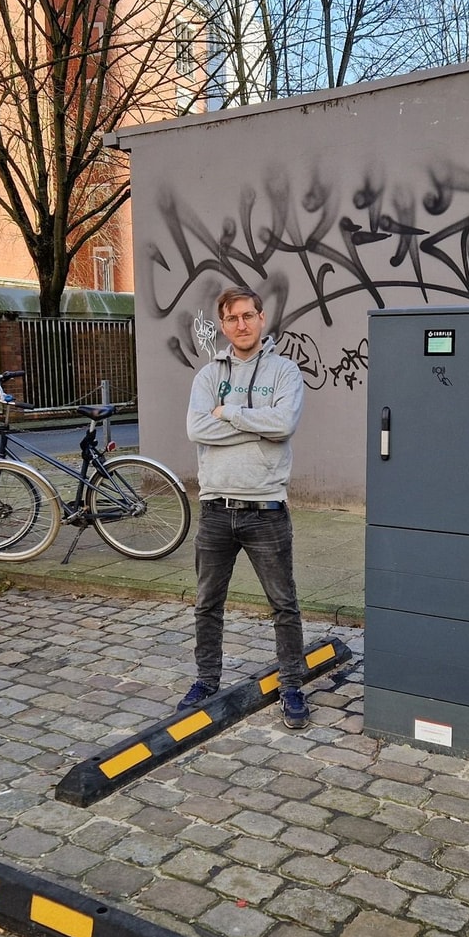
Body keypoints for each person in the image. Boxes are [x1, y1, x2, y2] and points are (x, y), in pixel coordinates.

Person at [182, 286, 312, 728]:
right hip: (216, 508)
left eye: (249, 316)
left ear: (262, 318)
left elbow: (284, 424)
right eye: (233, 318)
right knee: (207, 604)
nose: (242, 324)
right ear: (223, 324)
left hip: (266, 510)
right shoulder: (206, 376)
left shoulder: (284, 371)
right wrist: (253, 423)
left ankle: (292, 685)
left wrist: (229, 413)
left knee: (283, 604)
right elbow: (197, 429)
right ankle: (205, 679)